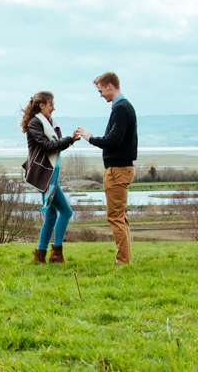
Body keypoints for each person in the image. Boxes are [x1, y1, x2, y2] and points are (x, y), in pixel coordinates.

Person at [74, 72, 137, 265]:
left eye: (101, 90)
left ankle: (123, 261)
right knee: (121, 217)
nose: (100, 95)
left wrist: (90, 138)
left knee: (115, 217)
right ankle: (124, 259)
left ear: (110, 86)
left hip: (117, 170)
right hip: (121, 169)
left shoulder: (120, 108)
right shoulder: (124, 107)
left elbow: (113, 140)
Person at [21, 91, 79, 264]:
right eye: (51, 104)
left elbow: (55, 147)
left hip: (49, 173)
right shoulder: (35, 124)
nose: (53, 108)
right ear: (42, 105)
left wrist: (70, 140)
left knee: (51, 216)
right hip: (43, 174)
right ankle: (56, 254)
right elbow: (48, 146)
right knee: (66, 212)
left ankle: (40, 256)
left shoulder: (47, 123)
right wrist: (70, 139)